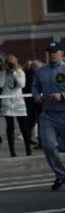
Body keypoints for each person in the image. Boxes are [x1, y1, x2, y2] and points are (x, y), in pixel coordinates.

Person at [29, 41, 65, 191]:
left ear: (62, 53)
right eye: (50, 51)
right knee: (48, 146)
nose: (52, 54)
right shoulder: (41, 70)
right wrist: (36, 95)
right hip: (48, 116)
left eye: (55, 51)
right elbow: (35, 86)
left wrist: (63, 95)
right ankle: (61, 175)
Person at [0, 55, 29, 157]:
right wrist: (3, 72)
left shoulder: (20, 72)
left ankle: (28, 149)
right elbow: (0, 84)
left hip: (18, 101)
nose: (10, 65)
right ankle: (12, 151)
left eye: (11, 63)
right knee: (10, 127)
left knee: (23, 126)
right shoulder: (3, 73)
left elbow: (22, 84)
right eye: (8, 63)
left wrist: (14, 72)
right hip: (7, 101)